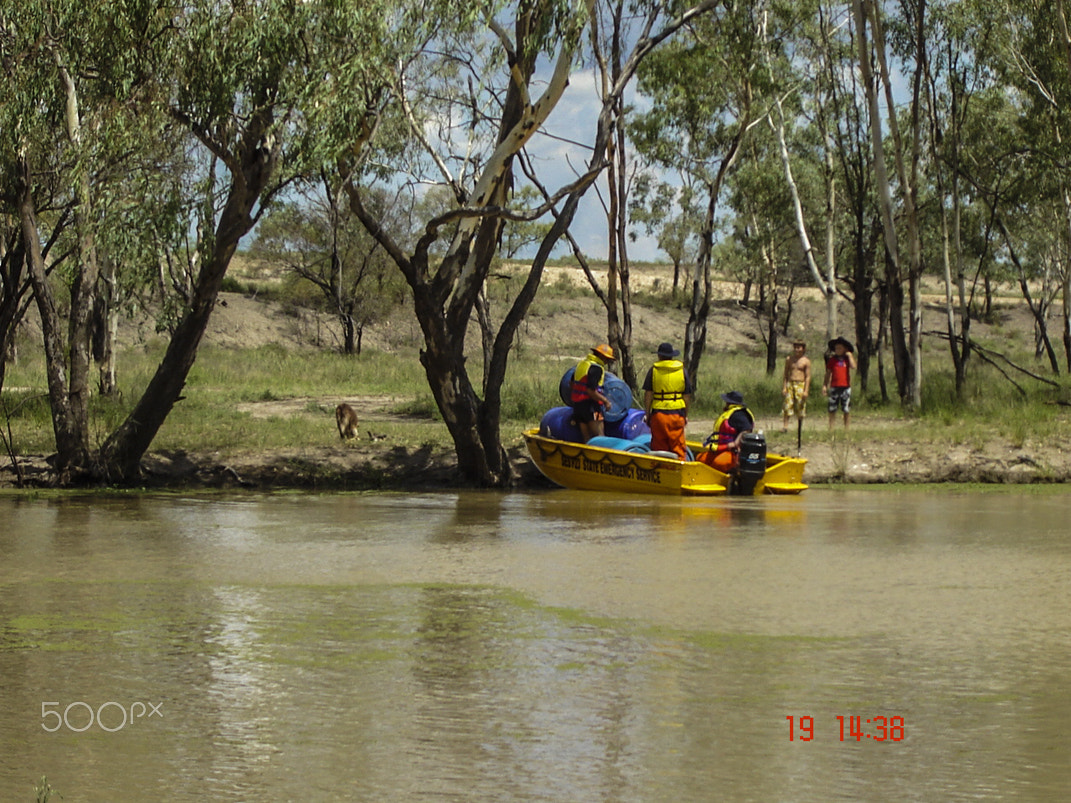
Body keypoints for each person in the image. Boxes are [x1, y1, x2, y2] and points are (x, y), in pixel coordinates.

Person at [642, 342, 693, 460]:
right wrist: (685, 414)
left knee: (658, 449)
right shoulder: (682, 370)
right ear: (672, 356)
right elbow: (686, 396)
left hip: (658, 414)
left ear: (659, 356)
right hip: (677, 414)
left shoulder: (653, 370)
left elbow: (648, 395)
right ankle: (678, 473)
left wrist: (648, 414)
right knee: (678, 448)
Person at [699, 390, 755, 472]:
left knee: (718, 463)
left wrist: (736, 443)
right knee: (701, 459)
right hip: (721, 449)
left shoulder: (739, 414)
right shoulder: (730, 412)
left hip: (732, 452)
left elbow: (747, 429)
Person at [570, 343, 615, 442]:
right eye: (607, 359)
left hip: (578, 407)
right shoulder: (596, 368)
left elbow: (571, 383)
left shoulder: (582, 364)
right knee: (600, 437)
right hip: (592, 407)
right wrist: (606, 401)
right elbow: (590, 391)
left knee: (586, 438)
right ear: (602, 356)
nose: (607, 362)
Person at [823, 337, 857, 431]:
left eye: (840, 348)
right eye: (836, 348)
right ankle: (831, 427)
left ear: (845, 349)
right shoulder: (832, 360)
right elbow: (828, 373)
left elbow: (854, 366)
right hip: (834, 386)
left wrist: (850, 356)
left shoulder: (847, 360)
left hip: (845, 387)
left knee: (846, 409)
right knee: (832, 408)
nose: (837, 350)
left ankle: (846, 428)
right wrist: (825, 385)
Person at [781, 339, 812, 433]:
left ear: (803, 349)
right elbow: (786, 374)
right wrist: (784, 387)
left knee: (800, 405)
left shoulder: (806, 361)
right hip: (790, 383)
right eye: (795, 347)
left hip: (800, 384)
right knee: (787, 405)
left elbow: (808, 376)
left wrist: (806, 390)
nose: (797, 350)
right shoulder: (789, 359)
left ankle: (800, 426)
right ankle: (785, 427)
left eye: (799, 347)